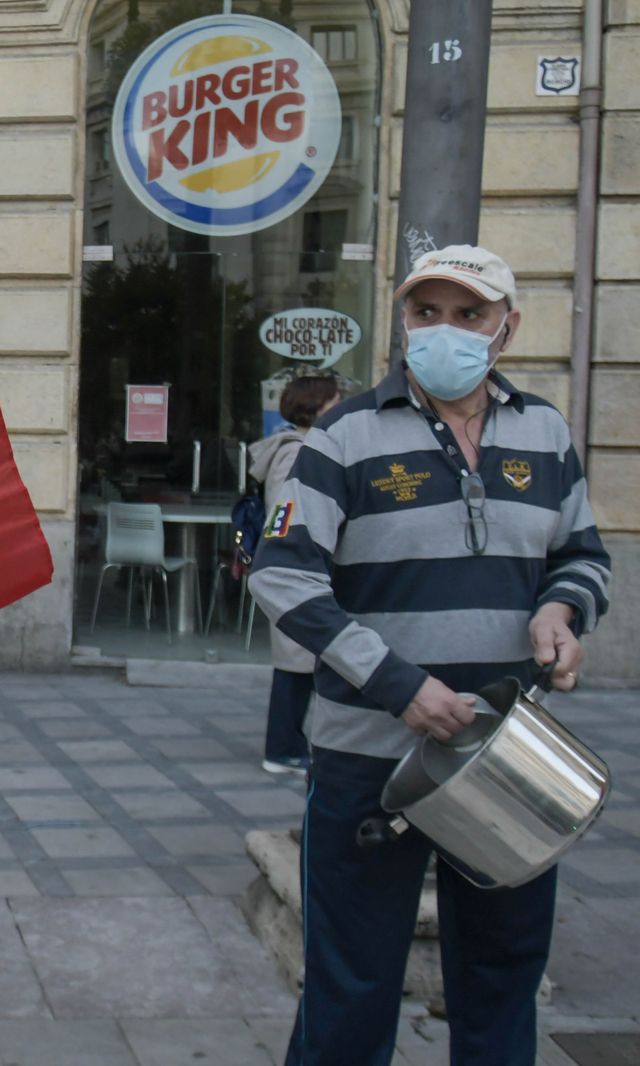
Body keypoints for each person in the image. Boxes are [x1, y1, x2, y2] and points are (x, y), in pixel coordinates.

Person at [250, 245, 611, 1066]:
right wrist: (399, 686)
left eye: (469, 314)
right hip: (370, 759)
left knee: (501, 974)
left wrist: (562, 609)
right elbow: (283, 575)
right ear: (402, 322)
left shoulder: (545, 432)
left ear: (506, 328)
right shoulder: (345, 433)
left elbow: (582, 554)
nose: (443, 330)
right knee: (352, 982)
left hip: (506, 757)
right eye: (426, 312)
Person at [248, 374, 339, 774]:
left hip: (303, 569)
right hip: (295, 570)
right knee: (295, 666)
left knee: (302, 665)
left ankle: (291, 744)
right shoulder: (294, 452)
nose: (341, 408)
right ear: (315, 407)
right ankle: (282, 749)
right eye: (334, 402)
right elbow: (284, 514)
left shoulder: (307, 447)